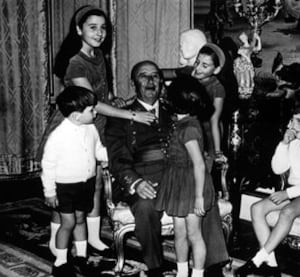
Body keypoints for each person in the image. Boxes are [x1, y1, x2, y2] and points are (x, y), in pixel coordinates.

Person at [39, 5, 156, 257]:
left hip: (95, 124)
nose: (100, 33)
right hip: (74, 125)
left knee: (93, 184)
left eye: (103, 28)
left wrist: (117, 101)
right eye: (93, 27)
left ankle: (92, 237)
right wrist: (132, 114)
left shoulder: (99, 55)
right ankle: (54, 239)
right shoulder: (75, 63)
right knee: (66, 188)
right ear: (79, 30)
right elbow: (91, 101)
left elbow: (104, 93)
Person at [105, 60, 229, 277]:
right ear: (134, 83)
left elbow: (198, 147)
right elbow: (117, 159)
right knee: (145, 206)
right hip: (143, 178)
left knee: (203, 196)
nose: (151, 80)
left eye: (155, 76)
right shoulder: (121, 116)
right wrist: (136, 182)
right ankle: (155, 266)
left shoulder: (176, 109)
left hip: (177, 176)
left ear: (162, 82)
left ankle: (212, 264)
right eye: (144, 76)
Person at [235, 95, 300, 277]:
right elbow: (278, 168)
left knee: (287, 212)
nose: (293, 126)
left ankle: (257, 260)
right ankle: (272, 265)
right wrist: (283, 144)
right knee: (257, 208)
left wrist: (287, 193)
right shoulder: (295, 143)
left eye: (299, 121)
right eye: (292, 120)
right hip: (296, 191)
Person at [41, 86, 108, 277]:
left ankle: (81, 256)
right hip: (65, 187)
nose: (95, 113)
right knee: (68, 222)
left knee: (80, 220)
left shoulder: (90, 128)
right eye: (91, 110)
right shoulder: (58, 136)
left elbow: (98, 151)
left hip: (85, 184)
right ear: (77, 116)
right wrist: (50, 192)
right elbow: (48, 164)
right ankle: (60, 261)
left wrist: (113, 154)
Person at [155, 75, 215, 277]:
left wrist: (199, 196)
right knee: (179, 232)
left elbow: (199, 164)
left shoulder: (188, 127)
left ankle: (197, 274)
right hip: (178, 183)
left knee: (193, 233)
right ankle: (182, 272)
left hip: (191, 186)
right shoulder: (182, 122)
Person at [192, 43, 227, 167]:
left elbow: (214, 120)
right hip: (192, 129)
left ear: (216, 70)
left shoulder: (217, 88)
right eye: (197, 62)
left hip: (210, 133)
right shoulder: (192, 76)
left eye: (204, 65)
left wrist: (217, 152)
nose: (198, 68)